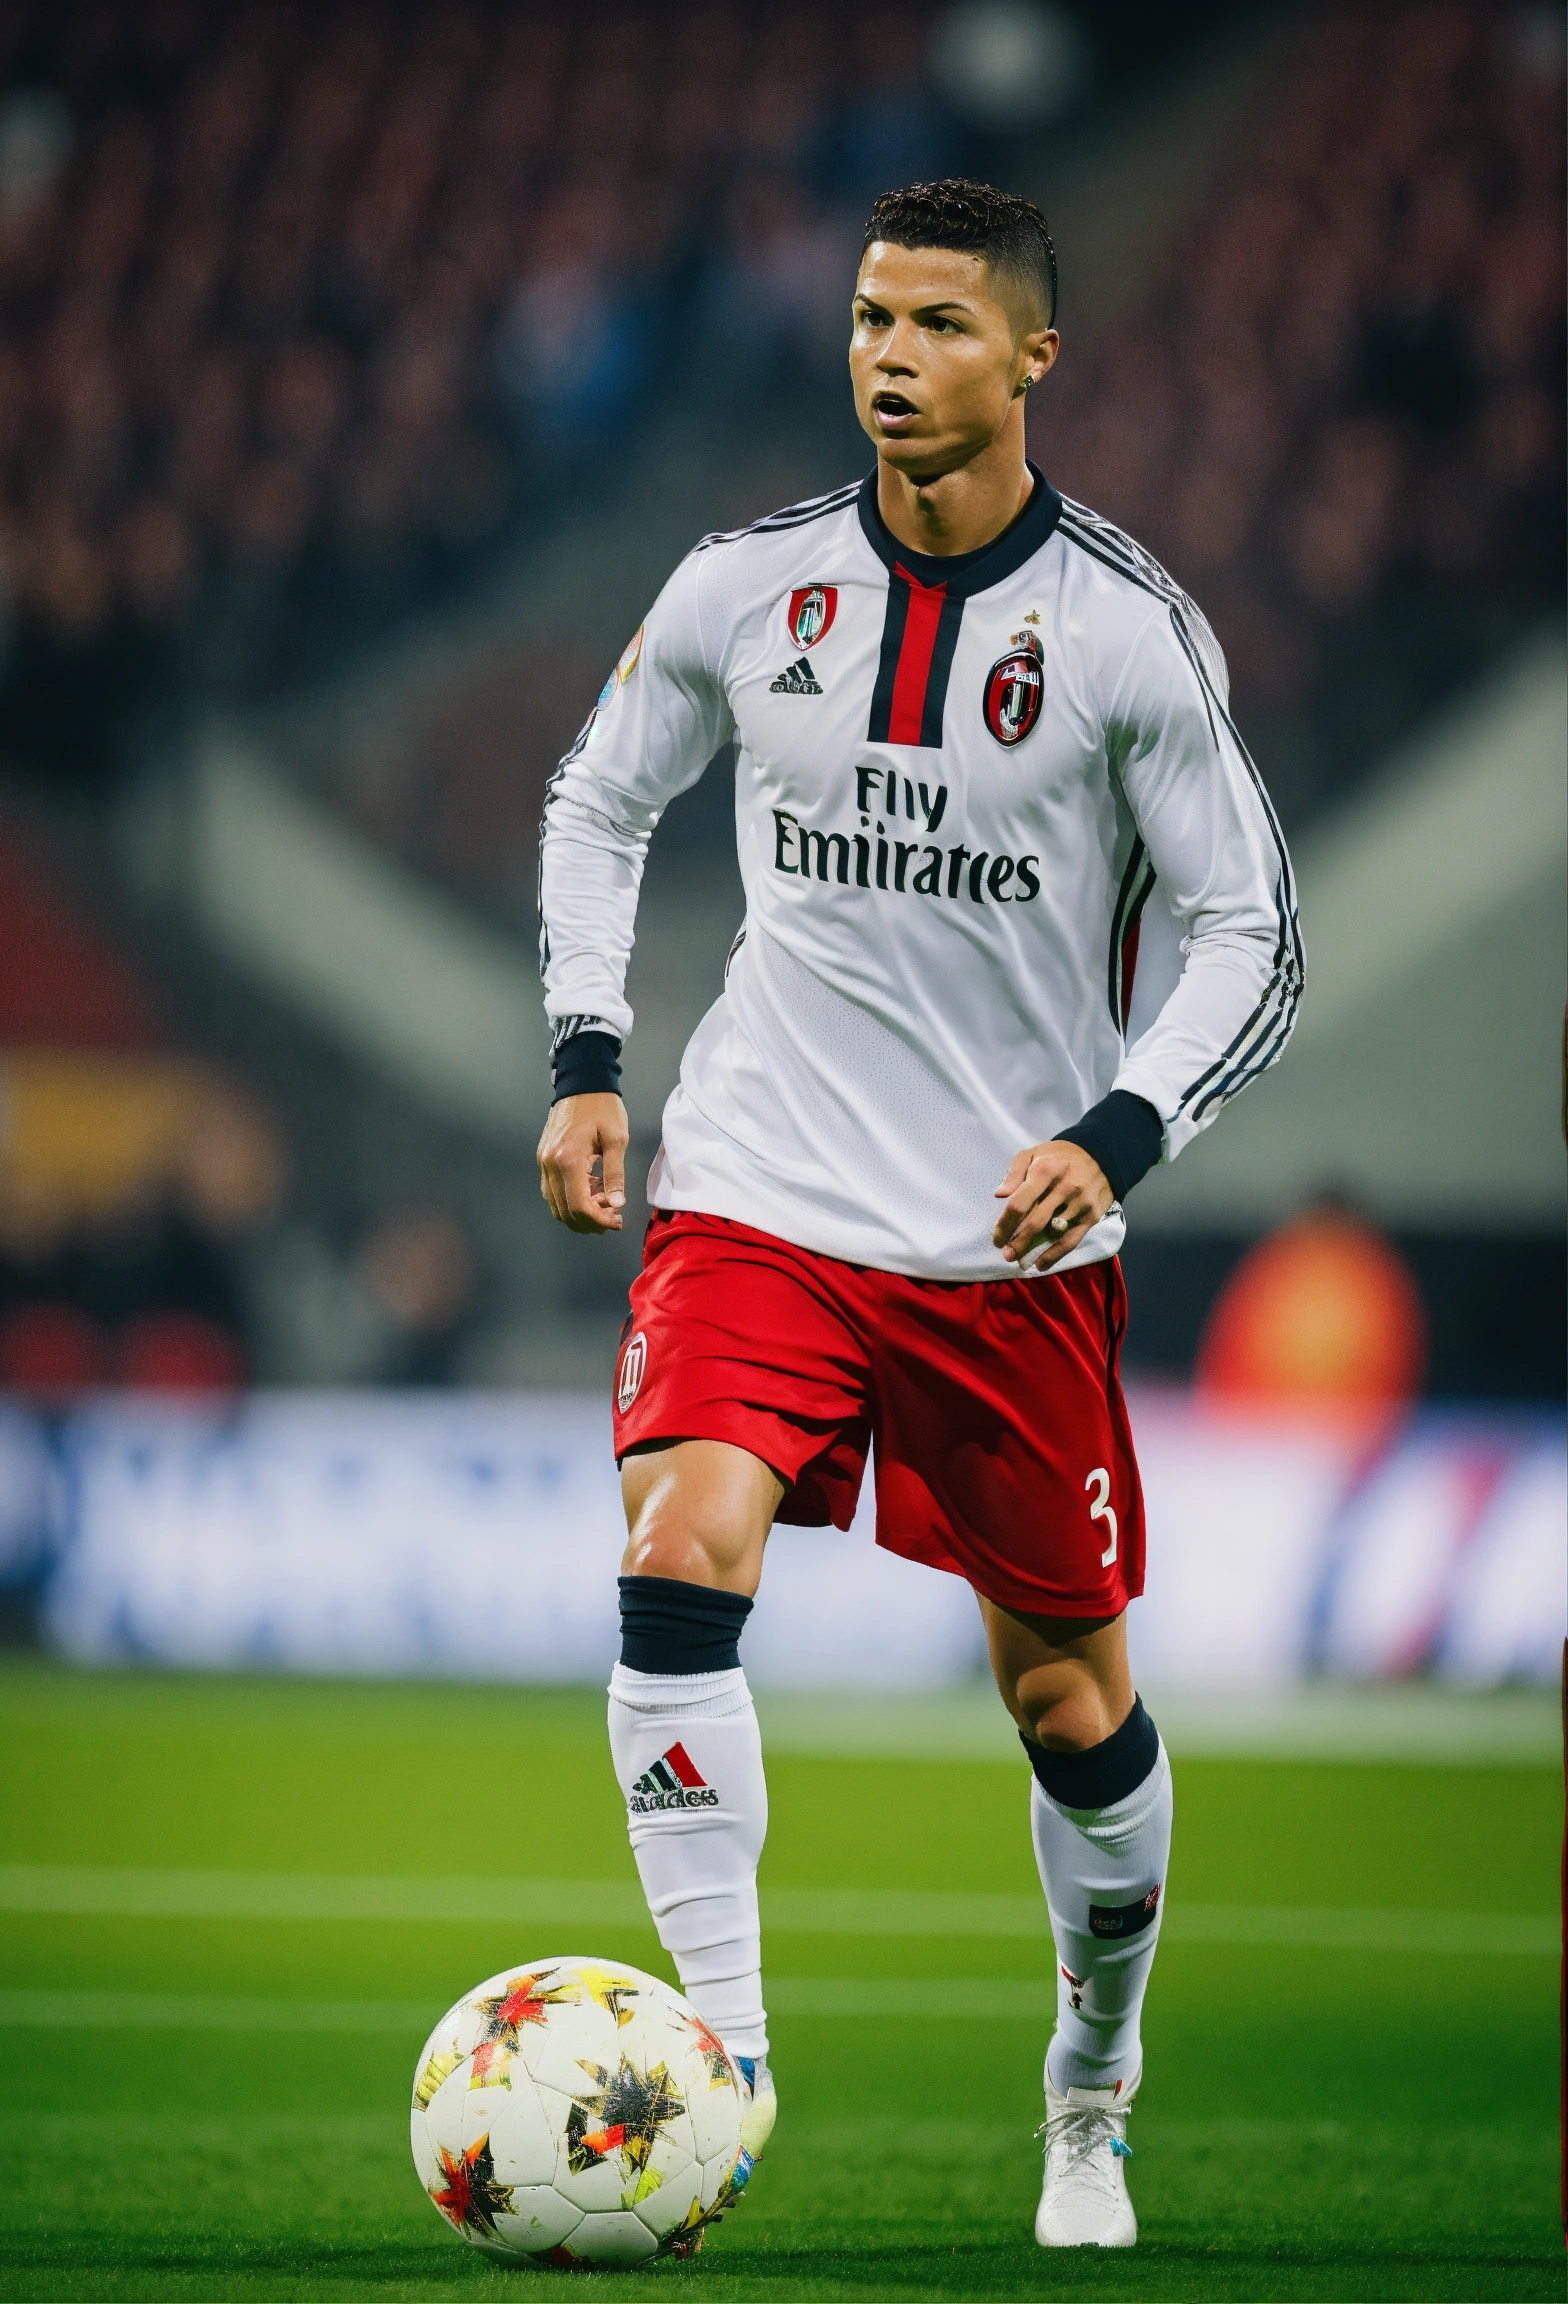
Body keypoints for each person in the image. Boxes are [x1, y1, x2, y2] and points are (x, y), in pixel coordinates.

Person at [536, 178, 1302, 2250]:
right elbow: (601, 796)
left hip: (1001, 1249)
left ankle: (1089, 2092)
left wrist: (1117, 1135)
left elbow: (1253, 934)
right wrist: (590, 1055)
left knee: (1069, 1708)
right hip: (759, 1193)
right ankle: (723, 2062)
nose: (890, 354)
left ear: (1034, 355)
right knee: (676, 1548)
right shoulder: (744, 587)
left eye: (940, 324)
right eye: (873, 316)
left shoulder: (1125, 633)